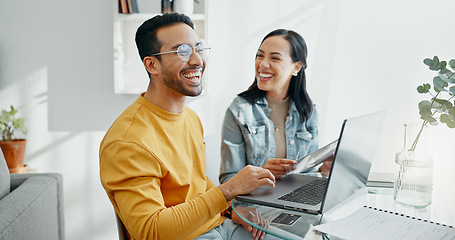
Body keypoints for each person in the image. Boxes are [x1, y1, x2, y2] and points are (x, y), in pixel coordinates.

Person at [99, 13, 280, 240]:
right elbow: (151, 231)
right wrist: (229, 190)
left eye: (198, 48)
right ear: (152, 64)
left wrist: (231, 209)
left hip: (219, 226)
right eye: (182, 51)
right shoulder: (128, 142)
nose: (197, 60)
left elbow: (196, 186)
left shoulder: (190, 118)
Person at [220, 29, 323, 184]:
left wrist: (325, 171)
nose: (262, 64)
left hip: (294, 204)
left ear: (296, 67)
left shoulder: (308, 112)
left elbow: (309, 175)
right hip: (254, 206)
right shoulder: (239, 111)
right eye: (259, 56)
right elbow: (228, 181)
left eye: (274, 58)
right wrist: (261, 173)